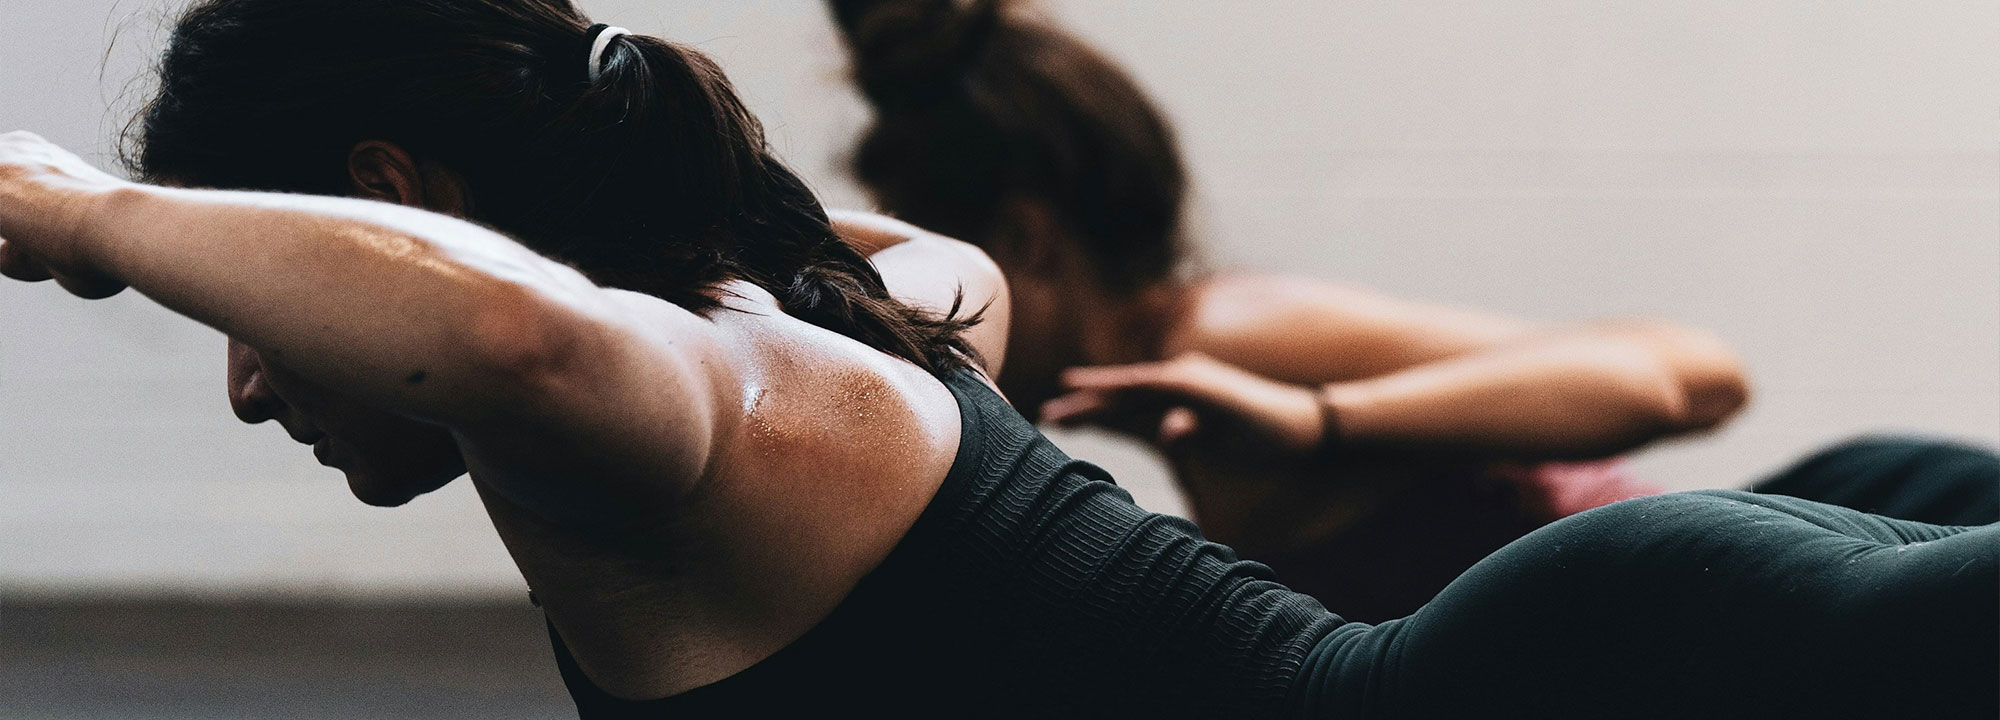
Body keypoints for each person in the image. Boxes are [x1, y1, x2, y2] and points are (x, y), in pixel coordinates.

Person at [1, 0, 1992, 717]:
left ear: (382, 196)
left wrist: (86, 221)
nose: (251, 379)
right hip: (1616, 635)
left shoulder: (676, 405)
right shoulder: (875, 297)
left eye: (253, 317)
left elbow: (508, 324)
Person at [825, 0, 1997, 620]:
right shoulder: (1173, 401)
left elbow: (1685, 375)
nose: (916, 317)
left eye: (925, 268)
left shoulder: (1228, 337)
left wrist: (1322, 423)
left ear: (1026, 239)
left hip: (1810, 570)